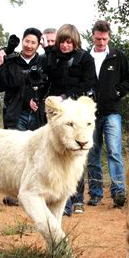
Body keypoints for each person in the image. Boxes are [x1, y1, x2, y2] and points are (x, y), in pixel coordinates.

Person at [37, 24, 97, 216]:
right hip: (56, 113)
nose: (65, 46)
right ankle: (58, 199)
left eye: (69, 42)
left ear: (75, 42)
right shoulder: (50, 58)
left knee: (77, 153)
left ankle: (77, 199)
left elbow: (89, 83)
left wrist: (68, 95)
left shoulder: (85, 58)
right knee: (55, 154)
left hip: (76, 111)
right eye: (62, 42)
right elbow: (45, 81)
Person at [0, 27, 46, 206]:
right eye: (27, 41)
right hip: (15, 113)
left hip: (37, 114)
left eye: (33, 42)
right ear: (22, 41)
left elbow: (49, 85)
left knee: (38, 153)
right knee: (15, 154)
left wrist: (38, 99)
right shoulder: (11, 60)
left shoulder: (44, 61)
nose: (29, 45)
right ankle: (14, 193)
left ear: (39, 45)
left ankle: (36, 192)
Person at [85, 20, 129, 208]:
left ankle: (119, 193)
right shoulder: (85, 57)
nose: (101, 42)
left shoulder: (117, 56)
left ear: (109, 37)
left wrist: (117, 92)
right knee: (92, 152)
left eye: (104, 39)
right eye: (98, 38)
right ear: (93, 36)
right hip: (90, 114)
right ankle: (95, 193)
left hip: (112, 111)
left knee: (114, 151)